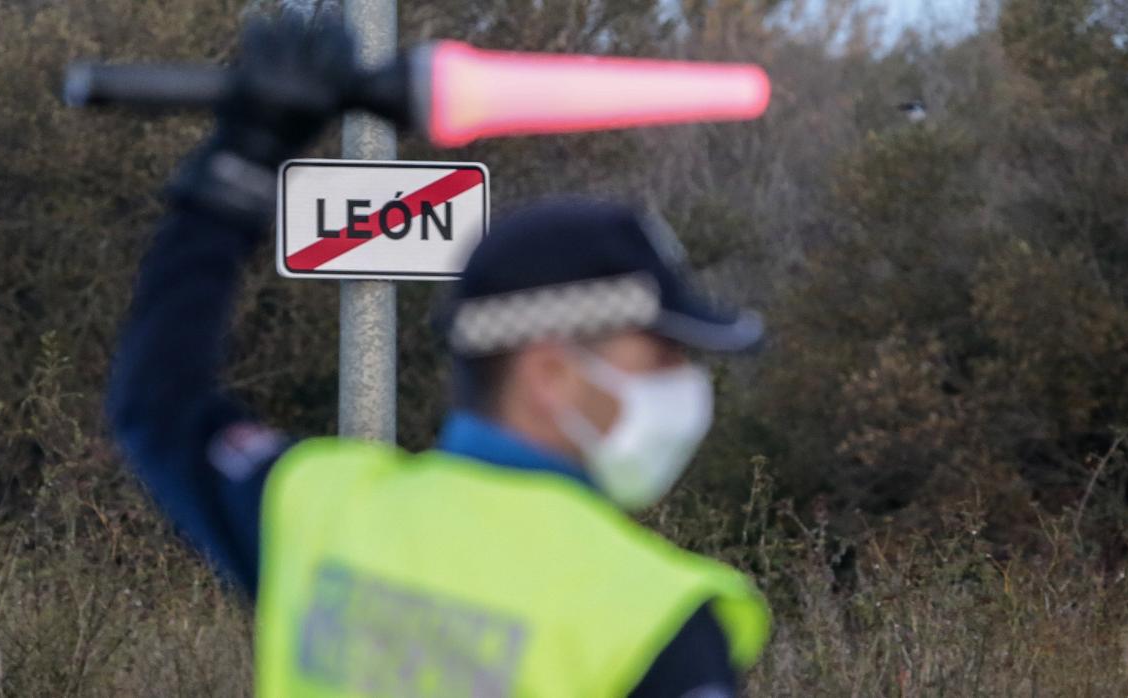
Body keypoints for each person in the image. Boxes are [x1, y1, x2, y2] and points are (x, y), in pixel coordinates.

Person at [107, 17, 769, 698]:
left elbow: (156, 406)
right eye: (660, 358)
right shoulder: (651, 621)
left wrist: (237, 167)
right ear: (549, 373)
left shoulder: (319, 513)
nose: (685, 389)